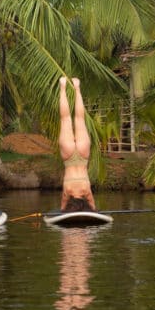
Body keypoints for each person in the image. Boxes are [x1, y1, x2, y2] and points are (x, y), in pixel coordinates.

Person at [59, 77, 97, 212]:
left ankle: (76, 88)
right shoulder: (67, 191)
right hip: (69, 157)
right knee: (66, 119)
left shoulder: (86, 190)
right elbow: (63, 205)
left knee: (77, 119)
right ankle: (63, 87)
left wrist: (94, 210)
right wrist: (63, 210)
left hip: (82, 155)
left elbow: (92, 204)